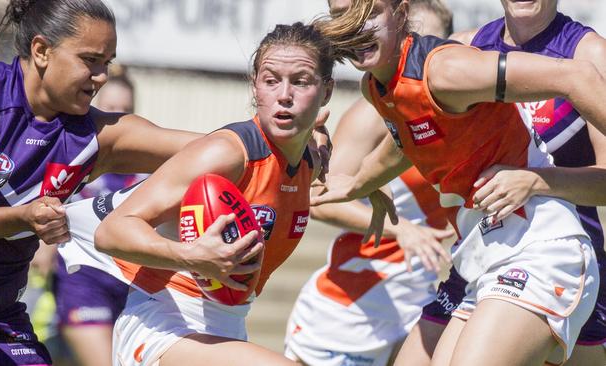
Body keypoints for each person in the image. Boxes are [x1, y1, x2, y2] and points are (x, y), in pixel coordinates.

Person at [0, 0, 253, 364]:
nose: (101, 76)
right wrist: (22, 217)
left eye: (106, 63)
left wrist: (290, 142)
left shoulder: (99, 137)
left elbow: (222, 149)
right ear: (42, 50)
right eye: (90, 60)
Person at [311, 0, 606, 364]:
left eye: (369, 13)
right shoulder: (379, 87)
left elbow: (577, 76)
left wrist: (536, 180)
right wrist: (358, 183)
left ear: (401, 13)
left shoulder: (448, 67)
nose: (355, 26)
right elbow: (405, 138)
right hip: (483, 254)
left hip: (542, 247)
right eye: (343, 16)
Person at [60, 21, 337, 366]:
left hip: (225, 328)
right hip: (162, 325)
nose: (284, 94)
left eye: (300, 81)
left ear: (326, 91)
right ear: (255, 86)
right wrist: (191, 255)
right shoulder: (227, 153)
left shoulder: (309, 159)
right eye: (271, 80)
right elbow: (112, 230)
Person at [284, 2, 454, 365]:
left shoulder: (450, 106)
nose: (417, 52)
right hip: (349, 310)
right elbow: (318, 198)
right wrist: (402, 229)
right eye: (412, 39)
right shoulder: (372, 113)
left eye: (428, 41)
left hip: (415, 299)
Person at [52, 65, 143, 366]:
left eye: (125, 110)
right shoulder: (73, 160)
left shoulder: (148, 172)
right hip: (83, 283)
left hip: (132, 287)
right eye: (110, 108)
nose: (117, 116)